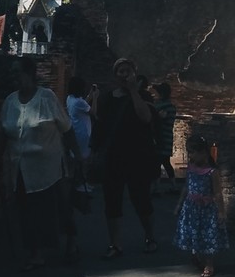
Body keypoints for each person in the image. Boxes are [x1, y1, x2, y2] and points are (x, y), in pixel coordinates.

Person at [0, 56, 79, 270]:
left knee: (60, 207)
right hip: (21, 167)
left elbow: (66, 129)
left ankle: (71, 241)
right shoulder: (10, 102)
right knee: (27, 211)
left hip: (50, 166)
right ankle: (35, 251)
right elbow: (3, 132)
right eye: (14, 75)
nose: (16, 79)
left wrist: (77, 155)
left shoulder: (47, 98)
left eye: (19, 74)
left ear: (30, 75)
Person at [90, 57, 158, 258]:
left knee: (141, 200)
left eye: (127, 71)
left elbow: (145, 117)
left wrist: (134, 91)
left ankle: (150, 237)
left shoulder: (143, 95)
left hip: (138, 157)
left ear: (134, 74)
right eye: (120, 71)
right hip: (113, 157)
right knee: (112, 202)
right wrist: (93, 151)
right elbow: (99, 124)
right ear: (115, 75)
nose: (124, 74)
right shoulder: (107, 98)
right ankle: (115, 243)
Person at [172, 135, 229, 277]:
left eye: (193, 152)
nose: (190, 155)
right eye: (189, 152)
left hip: (207, 209)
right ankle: (196, 256)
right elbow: (186, 187)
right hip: (191, 208)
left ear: (203, 152)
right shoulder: (191, 168)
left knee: (208, 236)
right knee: (193, 233)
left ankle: (209, 263)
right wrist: (179, 204)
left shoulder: (212, 172)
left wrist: (221, 212)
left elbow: (217, 193)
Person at [65, 76, 96, 193]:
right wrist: (96, 98)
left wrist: (90, 96)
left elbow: (84, 104)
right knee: (83, 160)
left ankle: (80, 182)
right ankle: (80, 184)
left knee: (78, 159)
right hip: (83, 134)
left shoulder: (70, 99)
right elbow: (93, 112)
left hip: (76, 131)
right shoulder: (79, 102)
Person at [151, 82, 178, 193]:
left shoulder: (165, 106)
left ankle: (157, 188)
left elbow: (158, 118)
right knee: (165, 162)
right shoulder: (170, 106)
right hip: (166, 137)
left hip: (161, 137)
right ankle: (173, 186)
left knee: (158, 162)